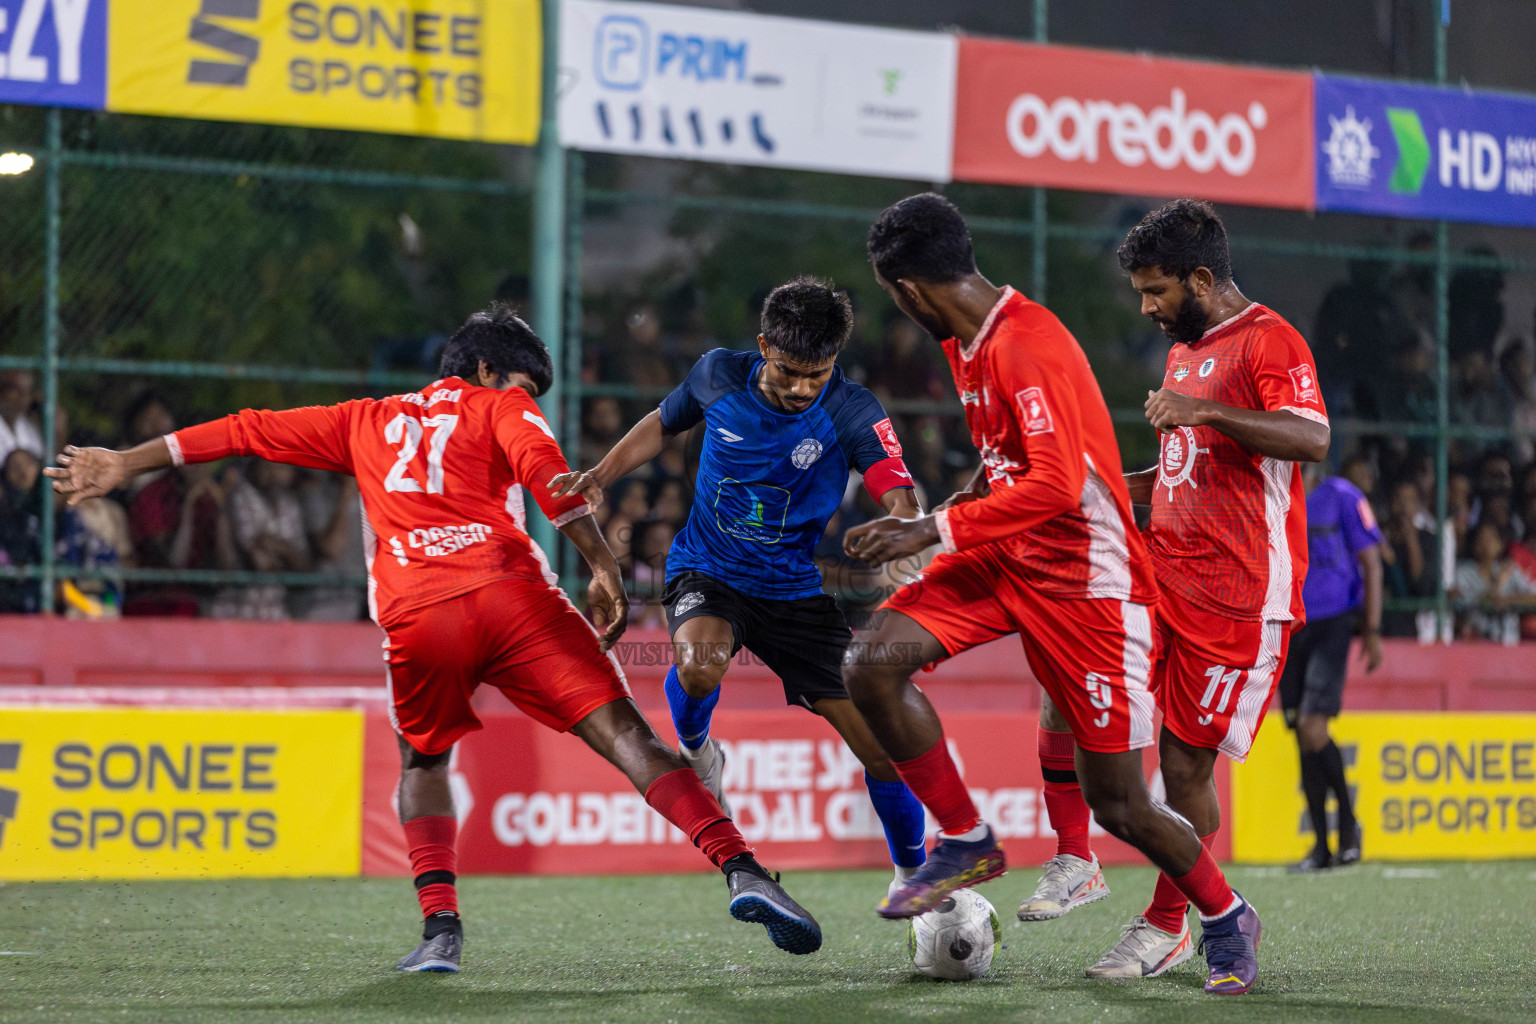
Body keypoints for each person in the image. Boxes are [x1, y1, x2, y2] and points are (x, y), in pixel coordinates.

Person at [46, 302, 822, 972]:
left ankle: (440, 930)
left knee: (423, 760)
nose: (529, 400)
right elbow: (554, 481)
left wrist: (125, 463)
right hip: (513, 598)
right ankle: (741, 868)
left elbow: (243, 431)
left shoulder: (361, 420)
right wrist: (604, 567)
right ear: (486, 369)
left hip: (418, 616)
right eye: (522, 385)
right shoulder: (502, 407)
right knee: (628, 737)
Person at [840, 193, 1263, 996]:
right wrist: (955, 516)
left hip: (1087, 586)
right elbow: (1002, 465)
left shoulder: (1022, 344)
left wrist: (930, 529)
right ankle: (966, 839)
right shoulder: (970, 343)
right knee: (870, 662)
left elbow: (1058, 487)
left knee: (1121, 806)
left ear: (908, 289)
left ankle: (1223, 914)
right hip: (1007, 558)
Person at [1025, 198, 1329, 983]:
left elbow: (1312, 437)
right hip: (1165, 571)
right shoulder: (1186, 351)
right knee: (1067, 674)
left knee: (1185, 772)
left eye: (1156, 292)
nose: (1147, 309)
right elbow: (1183, 469)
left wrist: (1204, 409)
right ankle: (1072, 856)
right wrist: (1088, 489)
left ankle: (1169, 924)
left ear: (1201, 277)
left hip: (1239, 595)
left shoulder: (1270, 339)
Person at [552, 277, 931, 897]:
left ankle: (915, 878)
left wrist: (907, 527)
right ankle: (699, 750)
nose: (802, 388)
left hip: (796, 594)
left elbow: (898, 490)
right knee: (700, 667)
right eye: (789, 372)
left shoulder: (853, 409)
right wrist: (600, 474)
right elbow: (662, 422)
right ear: (763, 347)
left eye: (817, 374)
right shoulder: (717, 375)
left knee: (882, 749)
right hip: (710, 568)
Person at [1280, 464, 1384, 872]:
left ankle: (1349, 826)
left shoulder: (1343, 497)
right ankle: (1322, 848)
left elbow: (1372, 562)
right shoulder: (1275, 499)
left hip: (1332, 624)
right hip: (1287, 625)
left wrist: (1372, 630)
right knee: (1301, 736)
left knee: (1312, 727)